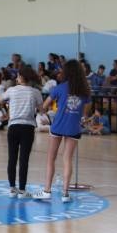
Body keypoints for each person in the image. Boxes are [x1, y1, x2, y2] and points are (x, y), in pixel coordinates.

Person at [33, 60, 90, 202]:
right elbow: (84, 113)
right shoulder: (85, 91)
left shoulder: (59, 88)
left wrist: (42, 113)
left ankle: (47, 190)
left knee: (51, 158)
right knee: (67, 159)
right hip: (74, 128)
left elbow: (44, 106)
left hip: (58, 126)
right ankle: (65, 193)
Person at [0, 66, 43, 198]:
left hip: (13, 127)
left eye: (18, 75)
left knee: (12, 158)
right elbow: (41, 110)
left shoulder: (11, 90)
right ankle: (22, 190)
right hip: (28, 127)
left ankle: (12, 189)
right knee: (24, 159)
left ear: (21, 77)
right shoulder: (35, 92)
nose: (16, 78)